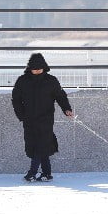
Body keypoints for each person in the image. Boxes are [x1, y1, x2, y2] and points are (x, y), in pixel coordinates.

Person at [12, 53, 74, 182]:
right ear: (30, 68)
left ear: (44, 68)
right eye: (34, 69)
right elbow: (16, 100)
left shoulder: (51, 80)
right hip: (28, 119)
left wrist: (66, 109)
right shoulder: (22, 81)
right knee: (34, 145)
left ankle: (32, 172)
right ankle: (47, 173)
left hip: (46, 118)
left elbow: (60, 96)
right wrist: (21, 115)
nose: (37, 71)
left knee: (41, 144)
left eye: (39, 68)